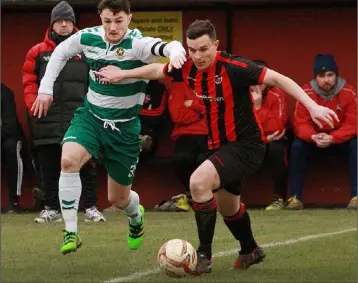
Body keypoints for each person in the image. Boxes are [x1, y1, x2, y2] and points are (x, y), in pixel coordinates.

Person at [95, 19, 338, 274]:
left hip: (247, 145)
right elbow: (156, 71)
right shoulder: (186, 66)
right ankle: (250, 249)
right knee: (228, 207)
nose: (197, 56)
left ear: (215, 45)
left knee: (198, 183)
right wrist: (122, 74)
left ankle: (203, 256)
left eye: (203, 49)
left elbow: (278, 79)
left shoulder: (235, 67)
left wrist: (312, 106)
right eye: (192, 49)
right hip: (219, 145)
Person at [31, 0, 186, 255]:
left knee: (119, 198)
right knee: (68, 161)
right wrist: (45, 90)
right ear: (100, 19)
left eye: (118, 21)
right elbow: (59, 53)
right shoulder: (88, 37)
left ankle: (136, 217)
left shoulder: (138, 44)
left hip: (124, 128)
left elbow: (166, 47)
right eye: (107, 21)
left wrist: (178, 51)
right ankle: (71, 231)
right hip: (91, 117)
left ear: (129, 19)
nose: (113, 27)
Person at [23, 0, 105, 224]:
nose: (63, 25)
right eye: (59, 21)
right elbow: (29, 81)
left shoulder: (86, 50)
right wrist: (33, 105)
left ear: (74, 24)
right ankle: (51, 209)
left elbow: (97, 81)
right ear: (52, 24)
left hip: (80, 118)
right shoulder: (37, 52)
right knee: (49, 166)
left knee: (86, 164)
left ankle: (90, 207)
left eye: (67, 21)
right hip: (46, 118)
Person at [287, 54, 357, 210]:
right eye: (321, 76)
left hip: (339, 141)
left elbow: (353, 124)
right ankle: (296, 198)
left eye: (330, 75)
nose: (326, 80)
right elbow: (300, 123)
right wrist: (313, 136)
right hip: (314, 140)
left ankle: (356, 196)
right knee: (297, 147)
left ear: (336, 75)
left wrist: (333, 138)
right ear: (315, 77)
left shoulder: (348, 92)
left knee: (356, 145)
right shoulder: (305, 92)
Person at [251, 60, 289, 211]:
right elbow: (242, 127)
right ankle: (231, 199)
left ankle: (279, 197)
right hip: (253, 140)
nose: (259, 82)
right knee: (232, 149)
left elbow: (277, 128)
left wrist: (258, 108)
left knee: (276, 149)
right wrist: (264, 139)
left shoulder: (277, 94)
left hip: (274, 140)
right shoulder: (240, 94)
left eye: (262, 77)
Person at [168, 81, 208, 211]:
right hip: (185, 133)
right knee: (181, 158)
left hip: (210, 132)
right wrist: (200, 113)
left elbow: (215, 108)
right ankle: (191, 194)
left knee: (205, 162)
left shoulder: (213, 83)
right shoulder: (179, 86)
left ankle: (205, 196)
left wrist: (192, 104)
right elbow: (177, 115)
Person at [1, 83, 25, 213]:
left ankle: (13, 201)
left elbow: (10, 128)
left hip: (9, 138)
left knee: (11, 147)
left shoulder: (4, 93)